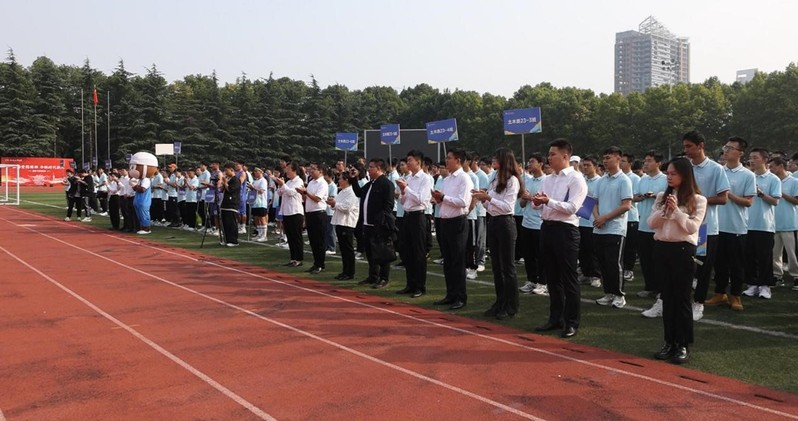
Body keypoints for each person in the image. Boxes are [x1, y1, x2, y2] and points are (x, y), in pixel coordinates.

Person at [648, 157, 707, 364]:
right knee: (667, 298)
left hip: (683, 250)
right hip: (662, 248)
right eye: (668, 174)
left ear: (685, 175)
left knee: (681, 299)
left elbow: (692, 228)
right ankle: (669, 342)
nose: (669, 177)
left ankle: (682, 344)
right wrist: (665, 211)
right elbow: (651, 223)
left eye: (673, 174)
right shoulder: (661, 197)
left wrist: (677, 212)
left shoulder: (698, 200)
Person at [532, 139, 587, 338]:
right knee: (552, 276)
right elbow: (539, 205)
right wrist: (538, 202)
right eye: (549, 154)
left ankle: (571, 322)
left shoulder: (576, 179)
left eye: (552, 154)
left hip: (566, 230)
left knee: (568, 278)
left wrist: (548, 201)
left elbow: (572, 208)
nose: (549, 158)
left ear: (565, 156)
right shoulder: (548, 179)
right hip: (547, 227)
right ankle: (555, 318)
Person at [683, 130, 730, 321]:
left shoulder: (716, 169)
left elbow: (723, 198)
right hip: (684, 226)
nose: (686, 150)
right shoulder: (685, 167)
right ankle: (673, 301)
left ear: (701, 145)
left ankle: (698, 303)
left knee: (702, 268)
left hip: (705, 228)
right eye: (684, 146)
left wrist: (698, 201)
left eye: (689, 146)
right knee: (683, 266)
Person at [473, 148, 521, 320]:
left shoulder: (512, 180)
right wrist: (483, 199)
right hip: (493, 221)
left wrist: (488, 198)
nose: (493, 160)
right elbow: (490, 206)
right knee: (496, 266)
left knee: (508, 267)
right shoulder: (494, 178)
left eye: (496, 158)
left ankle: (511, 305)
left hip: (506, 223)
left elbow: (507, 207)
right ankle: (500, 301)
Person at [710, 137, 756, 311]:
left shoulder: (747, 175)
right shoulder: (718, 171)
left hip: (736, 227)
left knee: (736, 264)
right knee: (718, 263)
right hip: (716, 225)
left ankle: (735, 295)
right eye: (726, 147)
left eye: (731, 148)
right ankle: (719, 293)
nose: (726, 150)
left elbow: (748, 202)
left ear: (740, 153)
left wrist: (728, 194)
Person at [431, 148, 474, 310]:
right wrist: (438, 198)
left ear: (458, 160)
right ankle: (450, 294)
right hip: (445, 221)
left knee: (457, 260)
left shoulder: (464, 178)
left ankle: (460, 297)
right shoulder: (447, 179)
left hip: (458, 222)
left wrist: (443, 197)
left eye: (449, 158)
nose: (446, 161)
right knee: (448, 261)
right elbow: (446, 200)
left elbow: (463, 202)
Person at [592, 147, 633, 309]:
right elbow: (594, 203)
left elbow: (626, 205)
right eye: (604, 158)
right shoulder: (601, 180)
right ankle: (608, 292)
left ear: (618, 158)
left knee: (614, 263)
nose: (605, 161)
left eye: (608, 157)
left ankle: (619, 294)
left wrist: (605, 218)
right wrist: (598, 218)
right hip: (599, 228)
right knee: (602, 263)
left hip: (615, 229)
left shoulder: (624, 180)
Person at [742, 148, 781, 299]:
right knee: (749, 256)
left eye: (755, 158)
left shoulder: (773, 179)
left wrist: (761, 193)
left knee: (764, 257)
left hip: (765, 225)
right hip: (746, 223)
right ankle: (752, 284)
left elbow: (775, 201)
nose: (751, 160)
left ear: (765, 160)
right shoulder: (748, 176)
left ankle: (765, 286)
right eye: (750, 158)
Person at [352, 158, 396, 289]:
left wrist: (380, 220)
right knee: (370, 252)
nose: (369, 169)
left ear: (379, 169)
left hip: (379, 224)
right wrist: (353, 179)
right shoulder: (370, 183)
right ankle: (373, 276)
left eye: (371, 167)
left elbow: (388, 205)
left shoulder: (386, 184)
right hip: (367, 223)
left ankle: (384, 278)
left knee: (382, 252)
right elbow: (359, 193)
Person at [396, 150, 433, 298]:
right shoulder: (409, 178)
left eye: (410, 160)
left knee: (418, 252)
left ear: (418, 162)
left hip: (418, 216)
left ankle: (419, 286)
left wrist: (406, 188)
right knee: (407, 251)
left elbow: (421, 199)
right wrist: (402, 191)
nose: (407, 163)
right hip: (407, 215)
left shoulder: (425, 178)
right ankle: (410, 284)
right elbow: (404, 201)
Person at [518, 153, 548, 295]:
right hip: (527, 222)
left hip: (539, 223)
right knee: (528, 255)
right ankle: (531, 280)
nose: (529, 164)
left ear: (541, 164)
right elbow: (522, 204)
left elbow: (545, 203)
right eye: (529, 162)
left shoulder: (546, 181)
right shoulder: (527, 181)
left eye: (532, 162)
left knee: (541, 256)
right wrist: (524, 198)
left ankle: (543, 282)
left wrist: (530, 198)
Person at [329, 172, 359, 280]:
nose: (339, 181)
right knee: (343, 249)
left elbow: (347, 208)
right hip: (339, 221)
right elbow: (336, 205)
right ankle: (345, 271)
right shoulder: (342, 192)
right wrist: (332, 203)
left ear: (346, 180)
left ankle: (350, 272)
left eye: (341, 179)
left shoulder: (351, 192)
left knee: (348, 249)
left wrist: (335, 204)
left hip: (347, 223)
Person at [301, 163, 329, 274]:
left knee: (319, 241)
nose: (311, 171)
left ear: (320, 171)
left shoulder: (322, 183)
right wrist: (303, 193)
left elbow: (317, 199)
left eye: (314, 169)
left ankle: (321, 264)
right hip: (310, 213)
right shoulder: (311, 182)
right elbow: (307, 198)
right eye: (311, 169)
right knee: (313, 240)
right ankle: (316, 263)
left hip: (318, 214)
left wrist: (306, 192)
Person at [275, 162, 305, 266]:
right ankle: (293, 258)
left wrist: (283, 185)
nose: (286, 171)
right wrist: (280, 185)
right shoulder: (288, 182)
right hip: (287, 211)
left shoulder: (299, 181)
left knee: (296, 236)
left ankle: (299, 259)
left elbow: (292, 193)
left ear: (294, 170)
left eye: (288, 169)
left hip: (295, 211)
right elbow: (279, 193)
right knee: (290, 236)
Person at [621, 153, 641, 281]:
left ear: (630, 163)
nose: (620, 163)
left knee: (630, 246)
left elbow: (639, 196)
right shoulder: (618, 177)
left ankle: (629, 270)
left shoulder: (635, 178)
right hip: (619, 217)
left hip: (631, 217)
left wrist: (625, 197)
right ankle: (621, 268)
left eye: (623, 161)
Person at [218, 162, 241, 247]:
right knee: (225, 223)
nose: (225, 172)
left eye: (227, 170)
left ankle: (234, 241)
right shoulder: (228, 179)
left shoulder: (236, 180)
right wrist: (223, 183)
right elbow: (222, 190)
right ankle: (227, 239)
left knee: (231, 223)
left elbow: (230, 190)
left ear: (232, 170)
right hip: (225, 203)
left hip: (232, 204)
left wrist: (225, 182)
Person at [250, 168, 270, 242]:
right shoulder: (255, 181)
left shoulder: (263, 180)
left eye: (256, 171)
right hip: (255, 203)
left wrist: (253, 188)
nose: (255, 173)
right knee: (257, 219)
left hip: (261, 202)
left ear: (260, 172)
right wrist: (251, 188)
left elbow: (261, 191)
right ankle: (259, 234)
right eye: (254, 171)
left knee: (262, 218)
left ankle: (264, 236)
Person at [131, 168, 153, 235]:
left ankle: (146, 228)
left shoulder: (146, 180)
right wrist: (133, 186)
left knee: (144, 215)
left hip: (144, 200)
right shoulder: (140, 180)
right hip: (138, 200)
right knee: (140, 215)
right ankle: (142, 227)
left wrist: (135, 186)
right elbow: (135, 189)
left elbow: (143, 189)